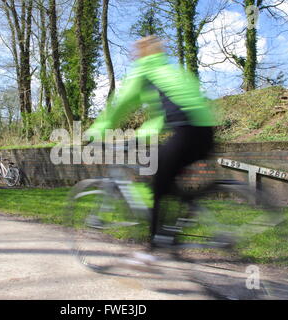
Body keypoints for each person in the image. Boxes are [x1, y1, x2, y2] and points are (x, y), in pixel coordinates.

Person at [88, 36, 216, 262]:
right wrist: (136, 138)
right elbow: (159, 118)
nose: (134, 55)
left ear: (143, 51)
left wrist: (97, 131)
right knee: (170, 182)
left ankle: (154, 248)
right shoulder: (169, 69)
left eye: (136, 50)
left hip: (187, 131)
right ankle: (176, 227)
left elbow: (122, 106)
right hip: (205, 131)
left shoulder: (144, 70)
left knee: (158, 185)